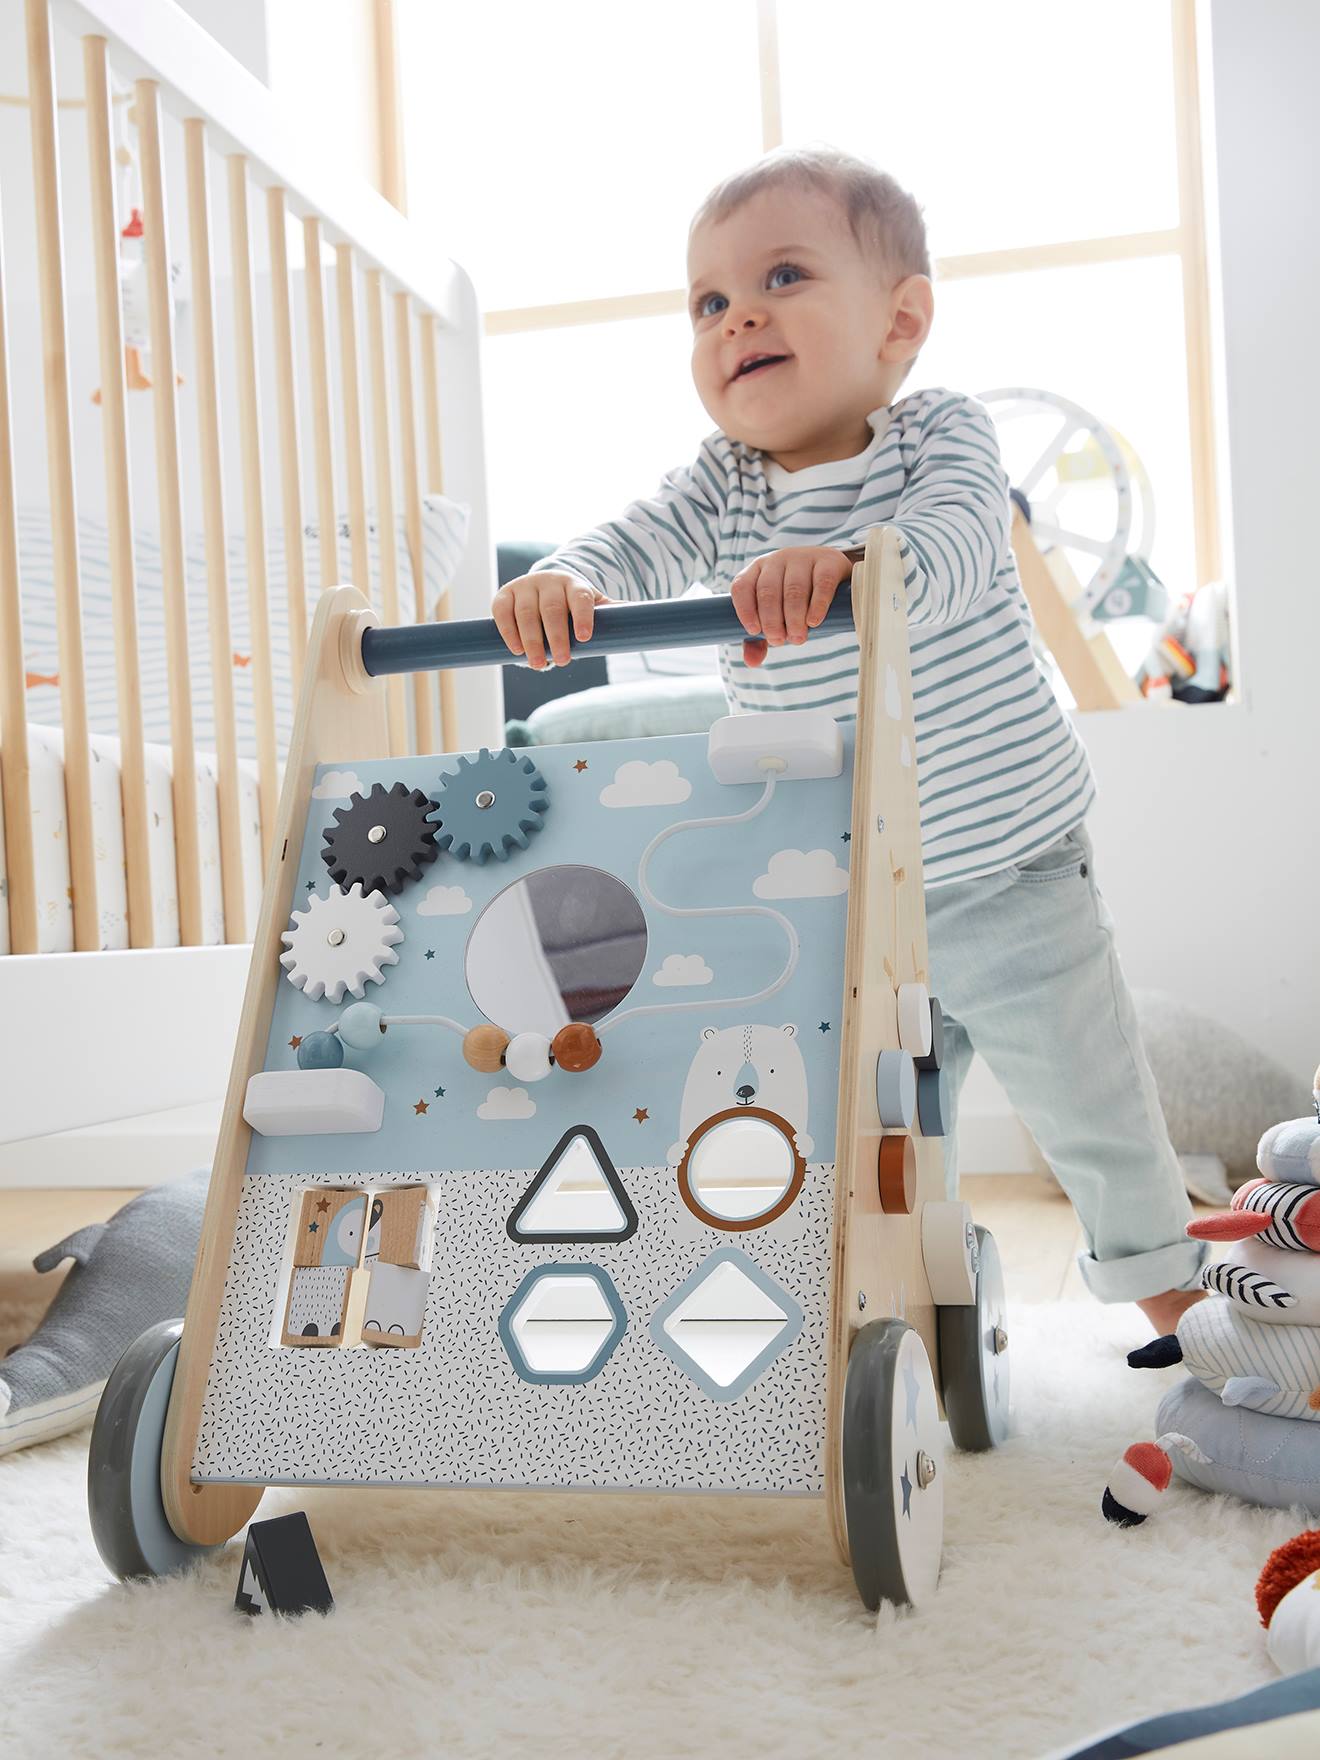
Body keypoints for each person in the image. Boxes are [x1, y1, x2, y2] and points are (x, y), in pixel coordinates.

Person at [491, 145, 1204, 1335]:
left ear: (901, 318)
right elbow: (624, 544)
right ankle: (904, 1305)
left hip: (1010, 873)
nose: (739, 317)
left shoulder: (936, 440)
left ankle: (1186, 1317)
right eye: (709, 302)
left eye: (782, 276)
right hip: (842, 891)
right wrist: (565, 579)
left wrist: (854, 564)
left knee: (1096, 1117)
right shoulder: (720, 486)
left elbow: (957, 542)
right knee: (877, 1132)